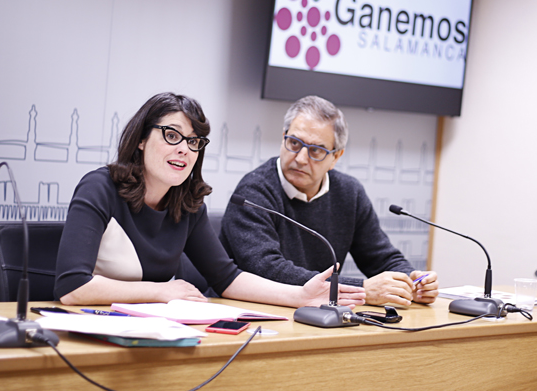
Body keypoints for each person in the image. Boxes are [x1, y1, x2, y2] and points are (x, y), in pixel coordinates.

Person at [53, 92, 365, 309]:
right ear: (142, 139)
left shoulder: (186, 204)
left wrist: (300, 296)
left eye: (193, 142)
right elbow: (72, 287)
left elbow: (227, 278)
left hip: (149, 329)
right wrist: (162, 291)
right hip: (87, 325)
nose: (183, 149)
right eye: (171, 135)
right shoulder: (99, 188)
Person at [219, 95, 438, 307]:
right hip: (254, 311)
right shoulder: (253, 192)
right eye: (294, 143)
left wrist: (411, 281)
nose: (301, 158)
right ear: (283, 137)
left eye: (316, 150)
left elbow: (380, 257)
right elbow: (266, 269)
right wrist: (361, 289)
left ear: (336, 157)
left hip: (317, 313)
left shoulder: (349, 193)